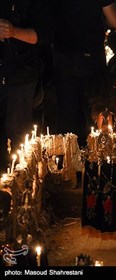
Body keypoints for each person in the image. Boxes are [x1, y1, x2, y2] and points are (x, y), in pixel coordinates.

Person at [51, 0, 116, 147]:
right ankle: (98, 162)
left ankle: (71, 164)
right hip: (92, 59)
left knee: (68, 119)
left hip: (64, 57)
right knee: (96, 114)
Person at [0, 0, 53, 170]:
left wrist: (13, 32)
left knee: (18, 137)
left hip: (21, 75)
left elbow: (43, 35)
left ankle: (21, 186)